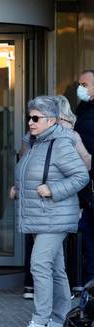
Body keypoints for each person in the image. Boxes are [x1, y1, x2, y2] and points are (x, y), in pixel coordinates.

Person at [12, 96, 88, 327]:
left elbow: (80, 176)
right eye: (29, 117)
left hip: (54, 216)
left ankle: (41, 322)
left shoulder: (61, 143)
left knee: (39, 264)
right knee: (56, 268)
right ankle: (59, 318)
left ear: (52, 120)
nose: (31, 122)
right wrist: (18, 188)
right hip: (42, 216)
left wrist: (53, 190)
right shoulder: (36, 143)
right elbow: (32, 174)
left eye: (36, 118)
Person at [74, 69, 94, 283]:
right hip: (85, 184)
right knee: (88, 237)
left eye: (85, 84)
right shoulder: (83, 108)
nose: (80, 88)